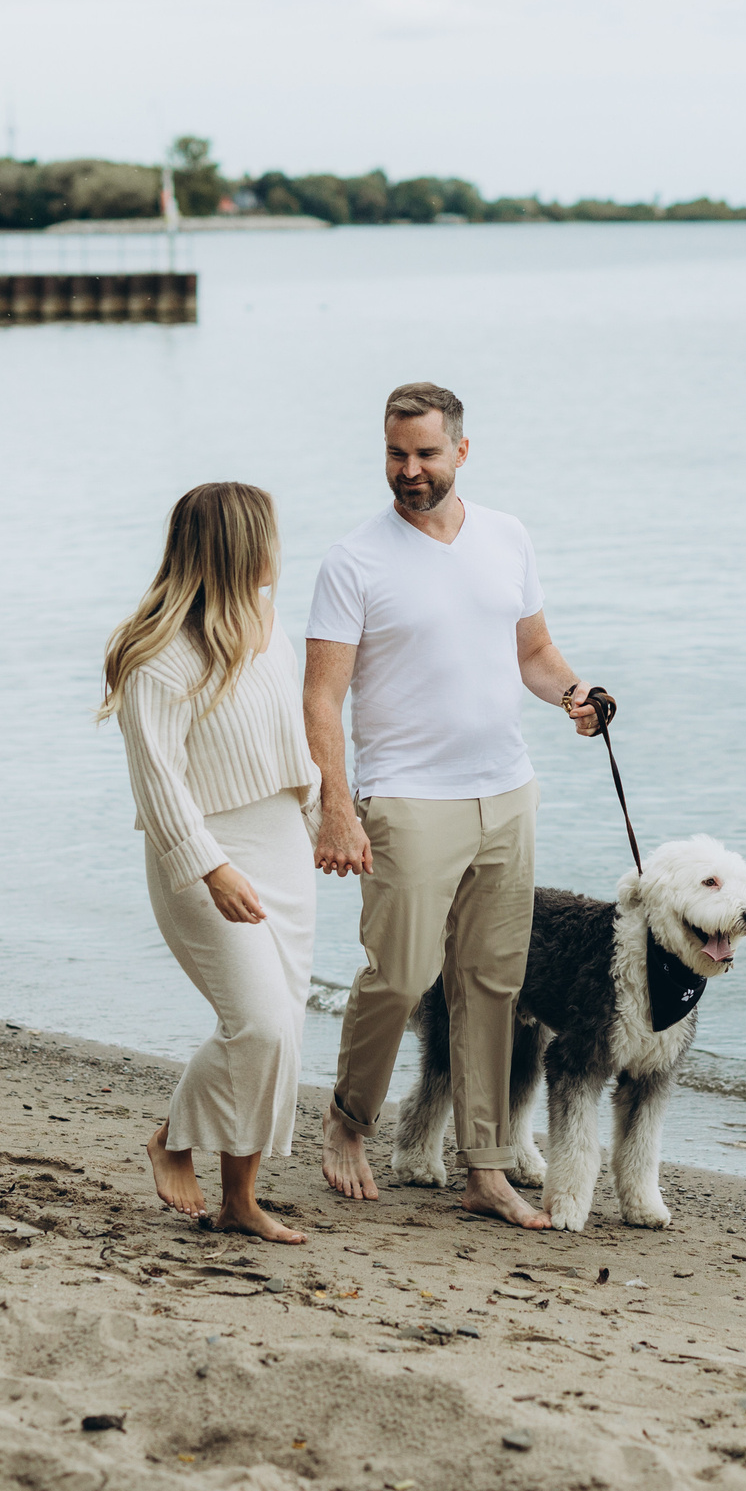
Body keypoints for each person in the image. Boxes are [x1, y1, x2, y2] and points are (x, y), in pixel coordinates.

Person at [307, 382, 608, 1228]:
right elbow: (320, 699)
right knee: (400, 975)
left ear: (461, 452)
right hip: (405, 797)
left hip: (506, 793)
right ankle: (349, 1118)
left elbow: (536, 652)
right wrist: (338, 806)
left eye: (426, 454)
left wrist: (576, 694)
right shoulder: (354, 559)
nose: (409, 471)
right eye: (397, 454)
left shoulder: (506, 536)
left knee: (491, 985)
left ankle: (485, 1166)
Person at [103, 481, 320, 1244]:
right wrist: (210, 866)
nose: (279, 546)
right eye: (268, 532)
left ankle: (241, 1198)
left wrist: (326, 817)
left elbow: (286, 732)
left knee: (282, 1028)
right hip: (202, 855)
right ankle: (174, 1140)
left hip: (283, 842)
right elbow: (157, 783)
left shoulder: (267, 621)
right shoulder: (156, 658)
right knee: (256, 1022)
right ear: (236, 545)